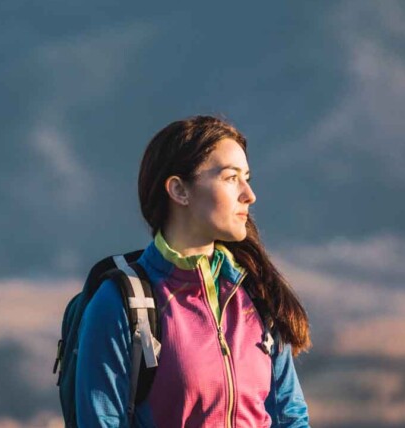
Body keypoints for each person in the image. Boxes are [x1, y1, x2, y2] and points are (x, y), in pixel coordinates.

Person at [75, 115, 311, 427]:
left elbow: (290, 418)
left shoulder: (257, 294)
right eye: (230, 178)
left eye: (247, 178)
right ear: (179, 190)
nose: (249, 195)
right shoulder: (121, 304)